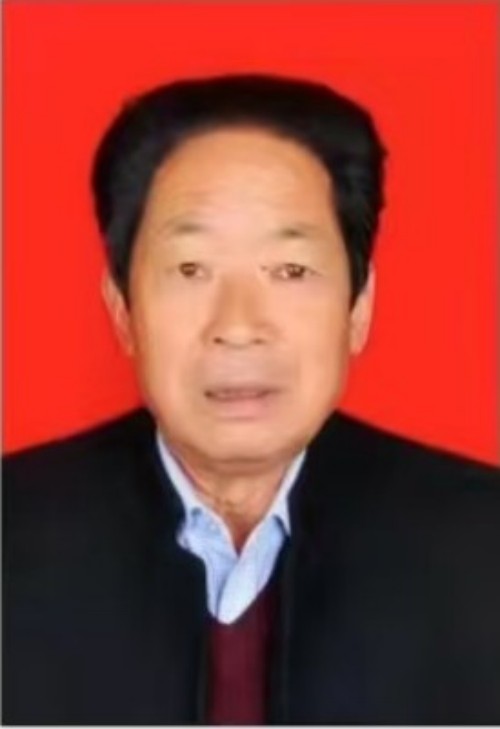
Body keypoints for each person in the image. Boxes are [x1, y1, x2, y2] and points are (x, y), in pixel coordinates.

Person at [3, 74, 499, 725]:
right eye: (191, 269)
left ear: (358, 307)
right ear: (122, 308)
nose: (238, 325)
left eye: (290, 271)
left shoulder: (480, 544)